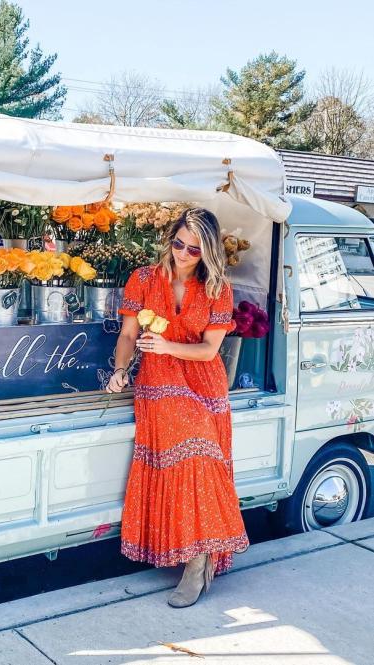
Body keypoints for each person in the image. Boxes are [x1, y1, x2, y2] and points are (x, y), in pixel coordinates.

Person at [107, 207, 249, 608]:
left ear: (207, 252)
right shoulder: (144, 279)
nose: (184, 253)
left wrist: (168, 345)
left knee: (203, 457)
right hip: (159, 381)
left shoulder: (218, 288)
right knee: (196, 454)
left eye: (194, 248)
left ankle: (199, 559)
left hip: (204, 382)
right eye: (178, 243)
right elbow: (128, 334)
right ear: (169, 239)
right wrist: (120, 370)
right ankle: (194, 559)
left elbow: (209, 350)